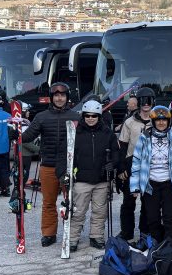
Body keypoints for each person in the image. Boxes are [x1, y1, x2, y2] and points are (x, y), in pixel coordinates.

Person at [21, 82, 80, 247]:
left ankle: (72, 233)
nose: (59, 98)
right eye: (56, 95)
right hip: (49, 165)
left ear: (67, 97)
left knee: (71, 202)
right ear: (51, 98)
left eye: (62, 95)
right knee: (48, 201)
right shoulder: (42, 117)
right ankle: (49, 233)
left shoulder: (76, 116)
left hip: (69, 166)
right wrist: (15, 133)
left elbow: (87, 136)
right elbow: (29, 135)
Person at [130, 106, 172, 243]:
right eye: (158, 120)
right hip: (150, 183)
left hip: (170, 182)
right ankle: (156, 245)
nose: (161, 123)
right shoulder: (144, 137)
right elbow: (136, 162)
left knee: (170, 217)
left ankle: (170, 246)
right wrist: (134, 186)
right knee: (152, 218)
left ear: (169, 121)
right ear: (153, 121)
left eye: (164, 120)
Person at [70, 100, 119, 251]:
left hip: (101, 179)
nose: (90, 118)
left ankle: (96, 237)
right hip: (82, 179)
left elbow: (116, 152)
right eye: (87, 115)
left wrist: (113, 163)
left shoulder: (107, 133)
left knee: (99, 211)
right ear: (83, 116)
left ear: (99, 116)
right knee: (78, 211)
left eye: (94, 116)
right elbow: (66, 155)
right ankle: (72, 239)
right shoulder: (76, 133)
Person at [117, 87, 155, 240]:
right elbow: (122, 147)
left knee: (148, 203)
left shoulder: (158, 120)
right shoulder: (129, 122)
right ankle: (127, 232)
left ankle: (145, 233)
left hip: (152, 166)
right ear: (138, 102)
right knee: (128, 202)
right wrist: (121, 168)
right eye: (143, 100)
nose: (146, 104)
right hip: (131, 164)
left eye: (149, 100)